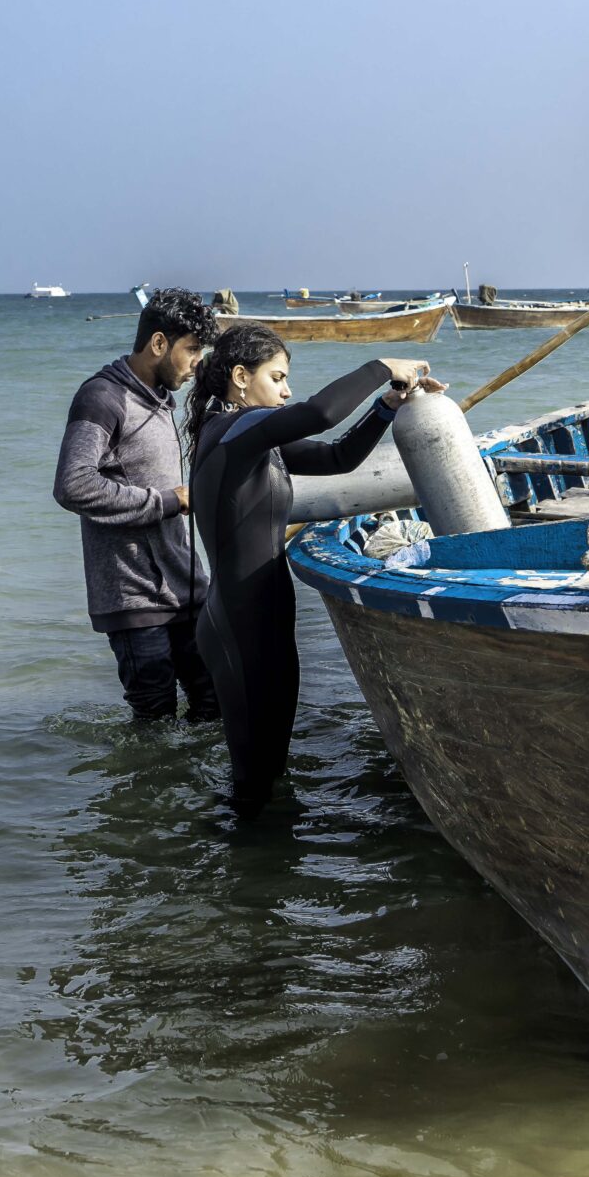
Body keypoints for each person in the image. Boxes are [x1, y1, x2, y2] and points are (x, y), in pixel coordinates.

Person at [188, 325, 440, 814]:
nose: (286, 391)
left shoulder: (251, 440)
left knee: (269, 778)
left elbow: (338, 456)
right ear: (241, 377)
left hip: (265, 627)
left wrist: (388, 404)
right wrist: (382, 366)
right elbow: (319, 414)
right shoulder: (230, 431)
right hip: (240, 632)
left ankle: (265, 878)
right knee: (252, 790)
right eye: (277, 377)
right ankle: (240, 878)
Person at [53, 287, 220, 723]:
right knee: (155, 721)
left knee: (215, 702)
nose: (197, 362)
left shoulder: (162, 397)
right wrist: (168, 501)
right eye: (192, 350)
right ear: (159, 343)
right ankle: (148, 792)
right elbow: (73, 485)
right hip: (133, 597)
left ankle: (205, 792)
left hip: (184, 586)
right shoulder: (103, 397)